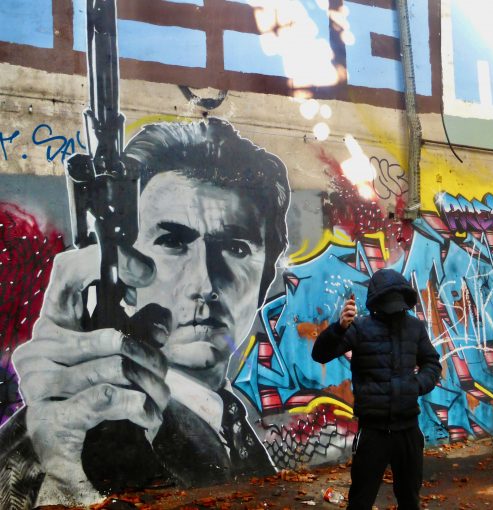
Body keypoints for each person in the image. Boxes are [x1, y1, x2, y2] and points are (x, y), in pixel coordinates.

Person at [0, 118, 290, 508]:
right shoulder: (74, 425)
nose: (205, 282)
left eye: (236, 248)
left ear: (267, 274)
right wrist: (60, 471)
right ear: (126, 267)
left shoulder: (228, 420)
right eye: (172, 242)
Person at [312, 268, 441, 510]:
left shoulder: (414, 327)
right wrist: (339, 327)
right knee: (361, 500)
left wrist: (416, 385)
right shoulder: (359, 328)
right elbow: (320, 354)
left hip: (408, 430)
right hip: (373, 432)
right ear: (377, 303)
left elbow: (432, 363)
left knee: (410, 499)